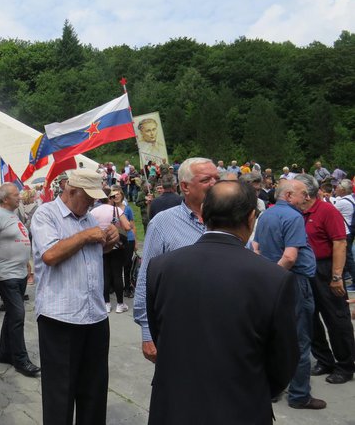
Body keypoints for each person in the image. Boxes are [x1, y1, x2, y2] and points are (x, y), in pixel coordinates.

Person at [146, 181, 299, 424]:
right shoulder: (273, 277)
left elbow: (159, 332)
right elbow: (284, 359)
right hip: (240, 406)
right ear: (251, 218)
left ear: (205, 212)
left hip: (174, 405)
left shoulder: (162, 266)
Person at [30, 169, 119, 425]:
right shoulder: (46, 214)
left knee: (94, 391)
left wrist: (109, 241)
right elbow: (50, 256)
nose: (92, 202)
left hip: (94, 315)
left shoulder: (88, 218)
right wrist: (85, 236)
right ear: (70, 191)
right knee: (60, 393)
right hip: (60, 317)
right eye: (88, 196)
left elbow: (93, 255)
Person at [134, 157, 220, 363]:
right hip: (179, 329)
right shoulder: (163, 223)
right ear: (185, 187)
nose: (215, 184)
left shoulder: (230, 220)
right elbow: (146, 279)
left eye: (217, 177)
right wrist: (147, 332)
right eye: (207, 179)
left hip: (223, 327)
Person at [252, 179, 326, 410]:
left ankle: (273, 389)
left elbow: (255, 247)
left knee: (272, 337)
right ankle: (299, 395)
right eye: (303, 194)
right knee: (299, 340)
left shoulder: (266, 215)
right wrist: (275, 276)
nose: (307, 198)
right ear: (289, 195)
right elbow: (290, 257)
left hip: (271, 283)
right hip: (292, 283)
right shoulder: (293, 217)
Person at [294, 174, 354, 384]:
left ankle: (346, 365)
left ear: (306, 193)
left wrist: (337, 276)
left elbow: (340, 243)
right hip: (304, 269)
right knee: (309, 318)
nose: (290, 194)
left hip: (326, 268)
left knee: (336, 317)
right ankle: (324, 359)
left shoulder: (327, 210)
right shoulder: (297, 212)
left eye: (294, 190)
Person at [0, 183, 40, 376]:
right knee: (18, 315)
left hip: (19, 273)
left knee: (11, 315)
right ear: (5, 198)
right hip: (5, 274)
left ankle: (5, 353)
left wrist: (26, 262)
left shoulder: (13, 215)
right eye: (16, 195)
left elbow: (19, 240)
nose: (20, 197)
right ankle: (20, 359)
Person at [90, 191, 132, 313]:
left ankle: (106, 303)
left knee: (105, 274)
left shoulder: (93, 212)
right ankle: (120, 304)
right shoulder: (116, 210)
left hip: (101, 245)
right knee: (117, 274)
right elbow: (127, 226)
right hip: (116, 245)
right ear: (110, 198)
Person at [110, 186, 137, 298]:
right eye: (113, 194)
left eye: (118, 194)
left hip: (128, 239)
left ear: (122, 195)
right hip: (114, 240)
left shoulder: (127, 209)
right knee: (115, 264)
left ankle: (127, 287)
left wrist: (135, 241)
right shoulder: (109, 209)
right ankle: (115, 287)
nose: (116, 196)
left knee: (127, 264)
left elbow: (132, 226)